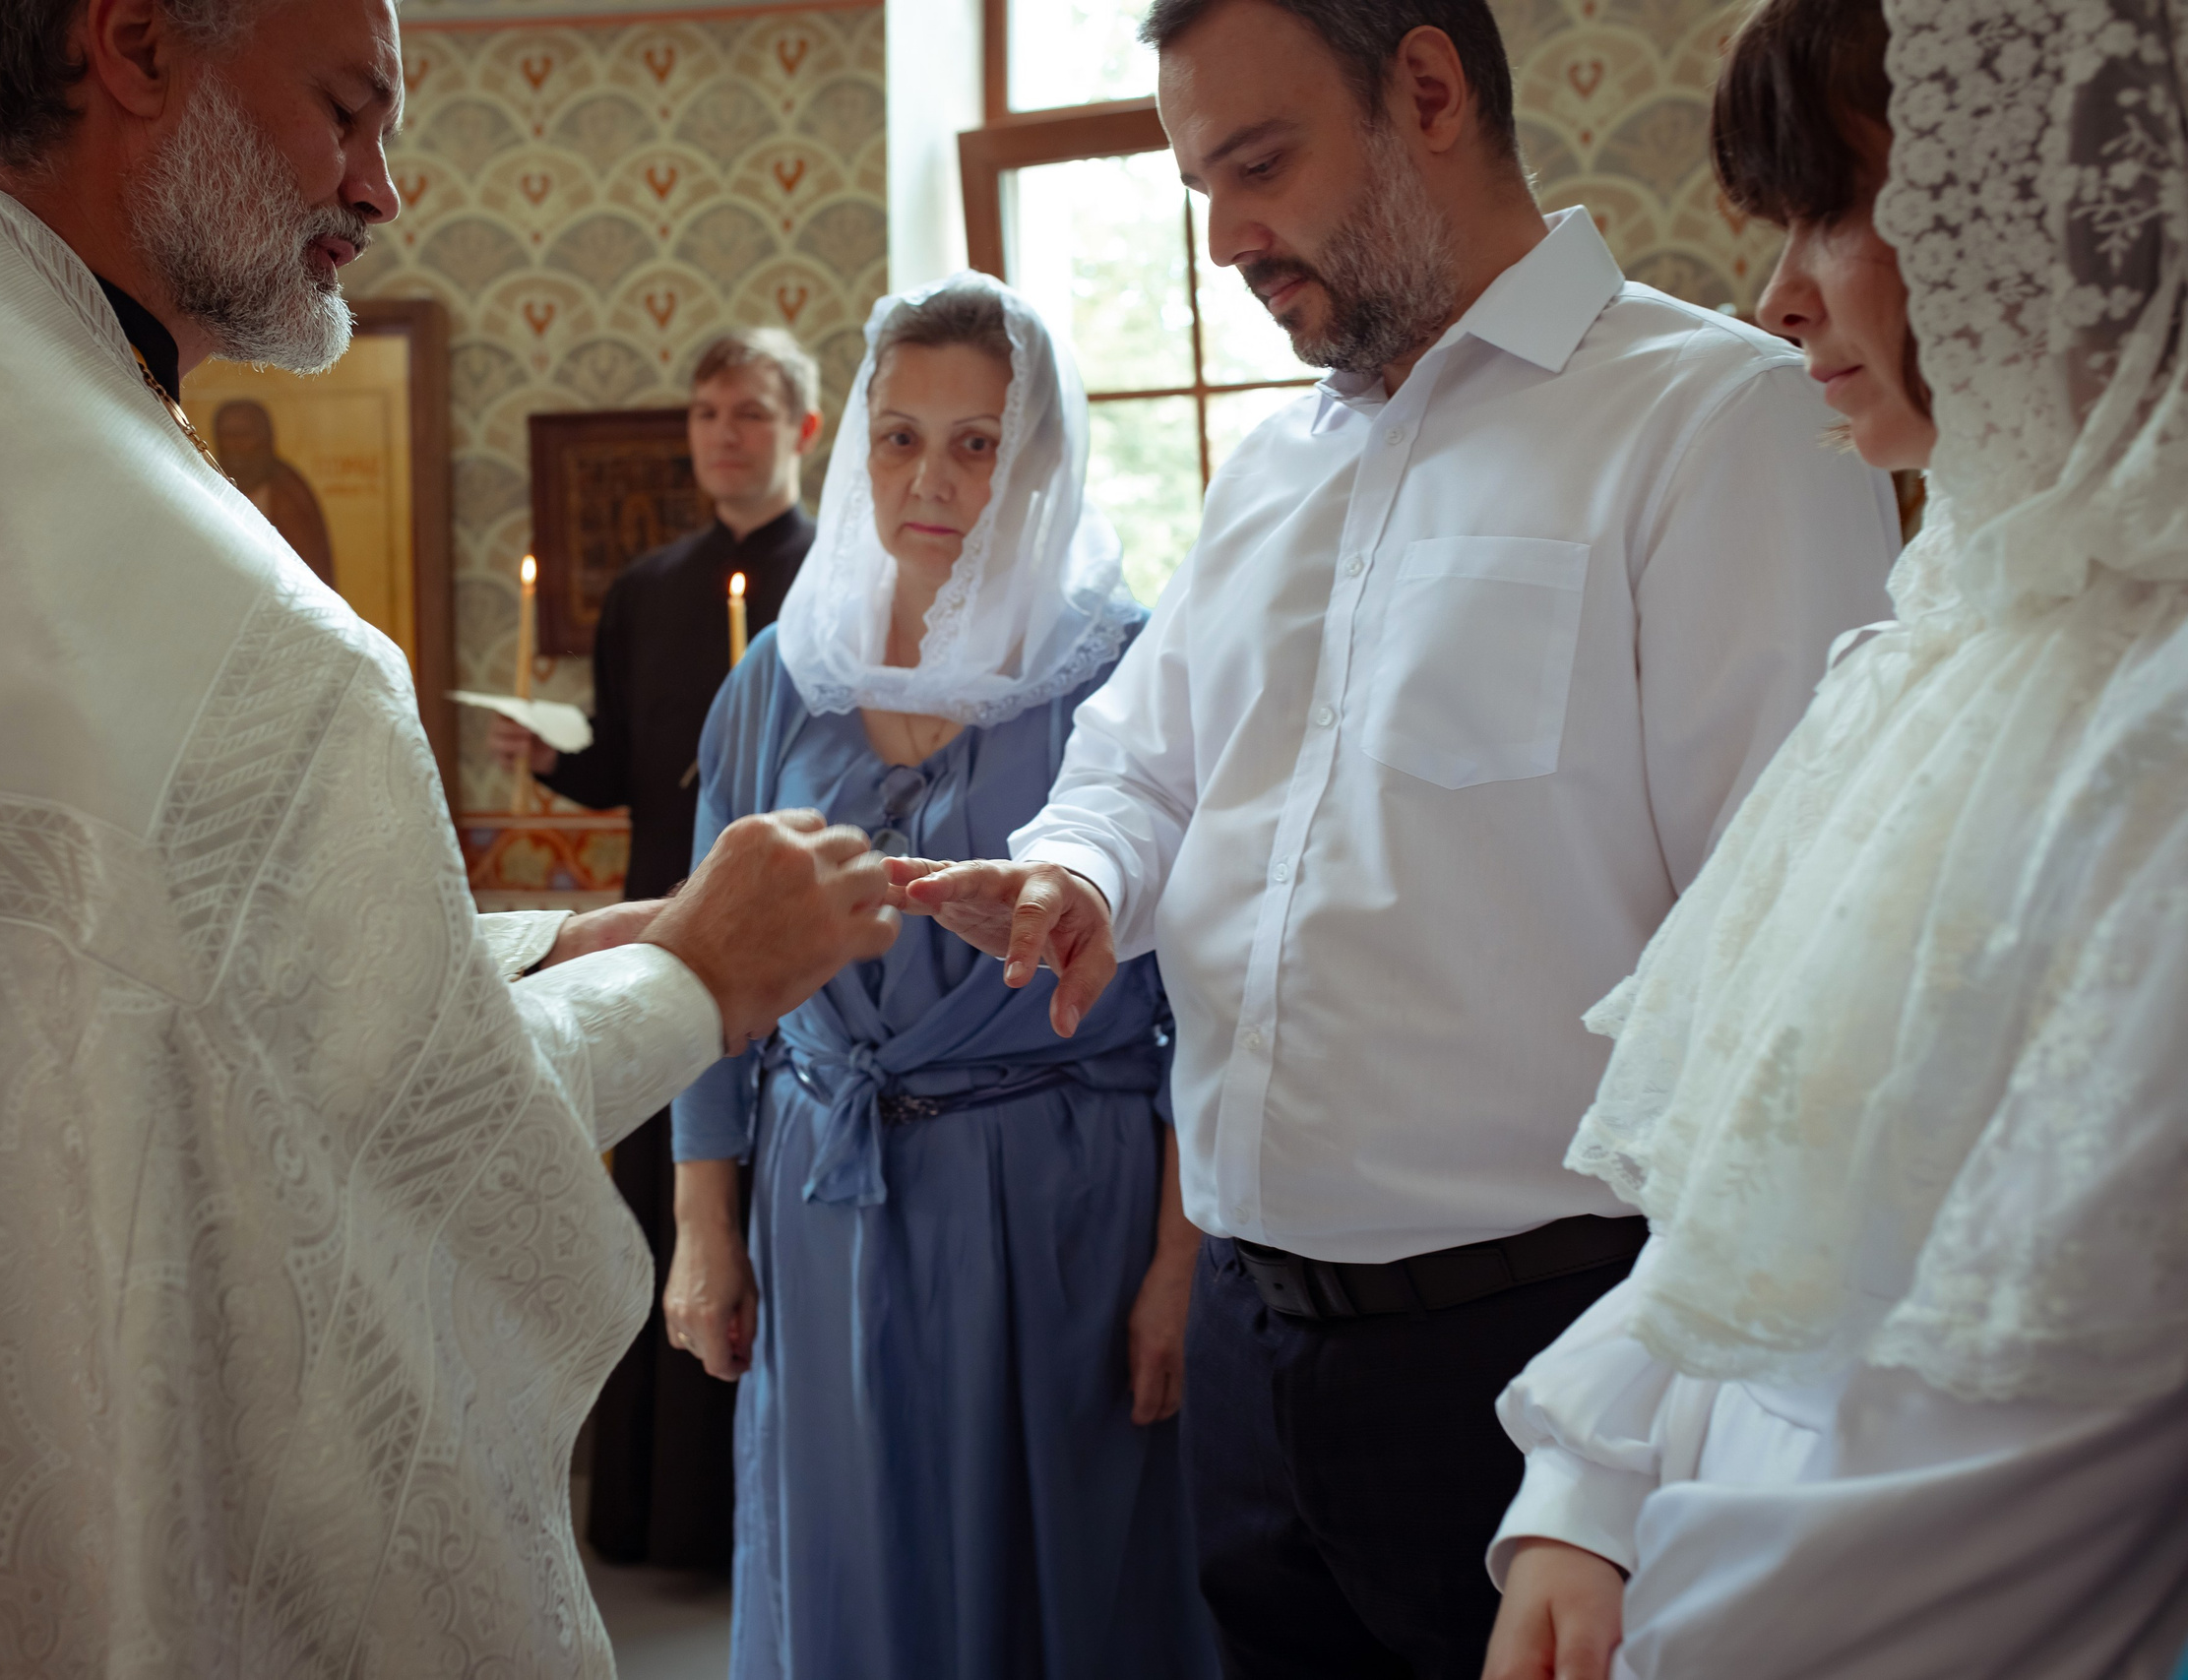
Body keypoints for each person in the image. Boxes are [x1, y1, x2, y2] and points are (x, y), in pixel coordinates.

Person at [0, 2, 902, 1672]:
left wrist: (544, 942)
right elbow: (398, 1156)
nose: (382, 186)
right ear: (135, 45)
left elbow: (151, 997)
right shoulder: (236, 621)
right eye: (346, 108)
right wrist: (702, 972)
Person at [884, 0, 1901, 1673]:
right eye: (1198, 186)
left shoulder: (1718, 422)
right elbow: (1143, 761)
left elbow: (1789, 971)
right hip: (1249, 1343)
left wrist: (1627, 1443)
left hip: (1549, 1353)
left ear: (1427, 90)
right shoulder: (1273, 468)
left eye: (1259, 166)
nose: (1224, 241)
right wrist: (1078, 873)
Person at [1478, 0, 2188, 1674]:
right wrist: (1592, 1478)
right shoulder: (1944, 643)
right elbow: (1760, 1197)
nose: (1780, 294)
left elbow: (2030, 1435)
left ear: (2057, 206)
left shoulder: (2152, 727)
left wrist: (1683, 1631)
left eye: (1838, 210)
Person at [662, 273, 1219, 1679]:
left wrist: (1177, 1260)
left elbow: (1206, 997)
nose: (933, 476)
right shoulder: (781, 678)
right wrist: (703, 1224)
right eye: (900, 434)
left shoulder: (1126, 670)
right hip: (823, 1192)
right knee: (846, 1559)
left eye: (979, 441)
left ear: (1038, 458)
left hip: (1057, 1200)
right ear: (855, 446)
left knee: (1066, 1573)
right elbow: (706, 970)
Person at [489, 327, 821, 1570]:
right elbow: (633, 771)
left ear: (800, 431)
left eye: (747, 413)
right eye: (705, 414)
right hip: (658, 933)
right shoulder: (646, 590)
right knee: (659, 1217)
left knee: (766, 1213)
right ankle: (660, 1516)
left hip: (792, 951)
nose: (721, 435)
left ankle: (765, 1519)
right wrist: (549, 762)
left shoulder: (837, 580)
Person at [212, 396, 337, 586]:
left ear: (264, 438)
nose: (235, 444)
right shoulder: (208, 482)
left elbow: (310, 567)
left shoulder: (290, 492)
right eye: (227, 435)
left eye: (244, 434)